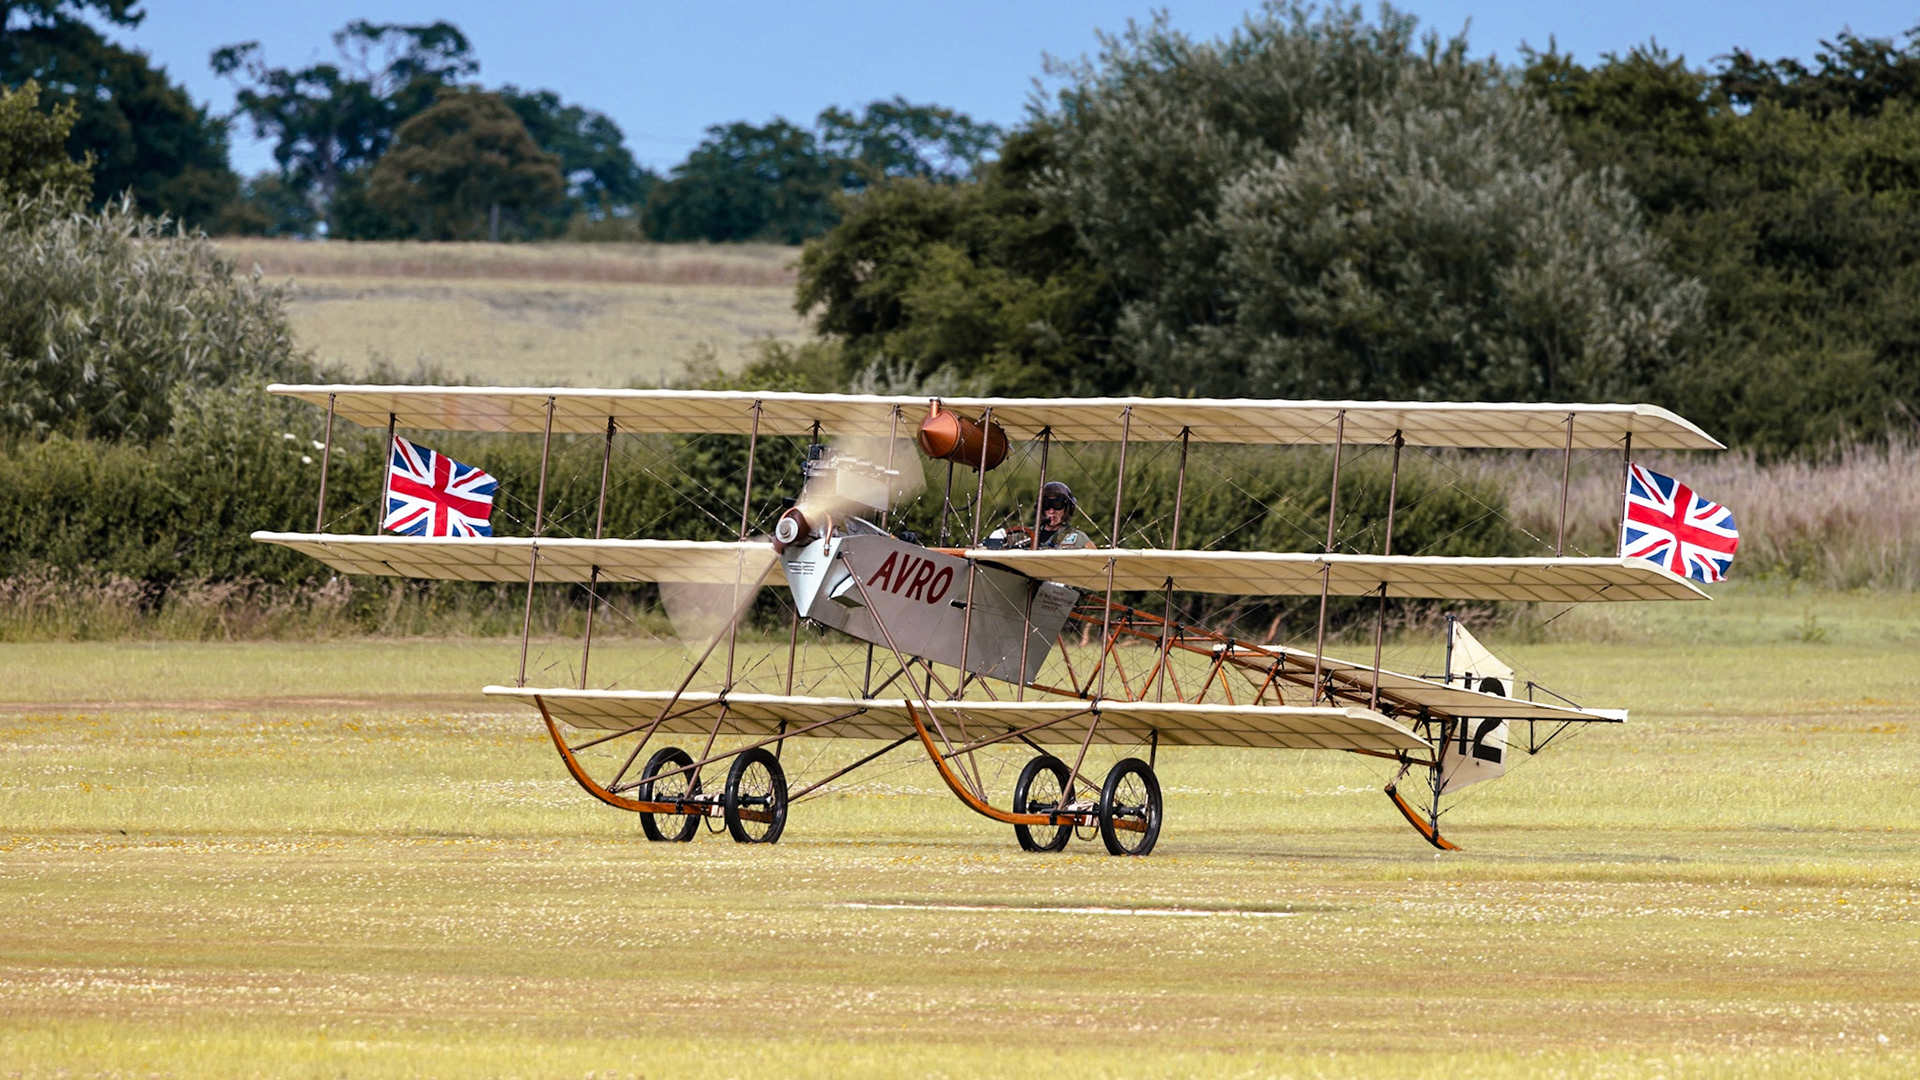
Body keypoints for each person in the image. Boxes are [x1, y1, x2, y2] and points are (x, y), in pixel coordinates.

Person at [984, 481, 1093, 550]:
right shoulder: (1024, 537)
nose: (1051, 510)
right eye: (1046, 505)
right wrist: (997, 537)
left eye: (1057, 504)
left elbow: (1096, 570)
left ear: (1067, 508)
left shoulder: (1079, 539)